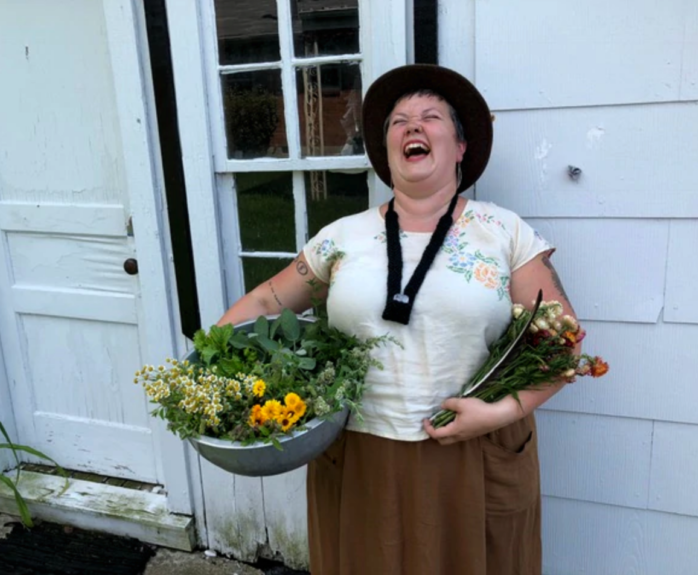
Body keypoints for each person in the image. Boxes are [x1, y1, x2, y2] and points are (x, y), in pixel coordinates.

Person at [217, 64, 578, 575]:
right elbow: (264, 304)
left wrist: (497, 413)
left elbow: (564, 344)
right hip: (361, 456)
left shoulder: (504, 233)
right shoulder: (341, 238)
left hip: (474, 453)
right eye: (398, 122)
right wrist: (200, 372)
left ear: (460, 147)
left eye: (431, 117)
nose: (412, 126)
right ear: (386, 154)